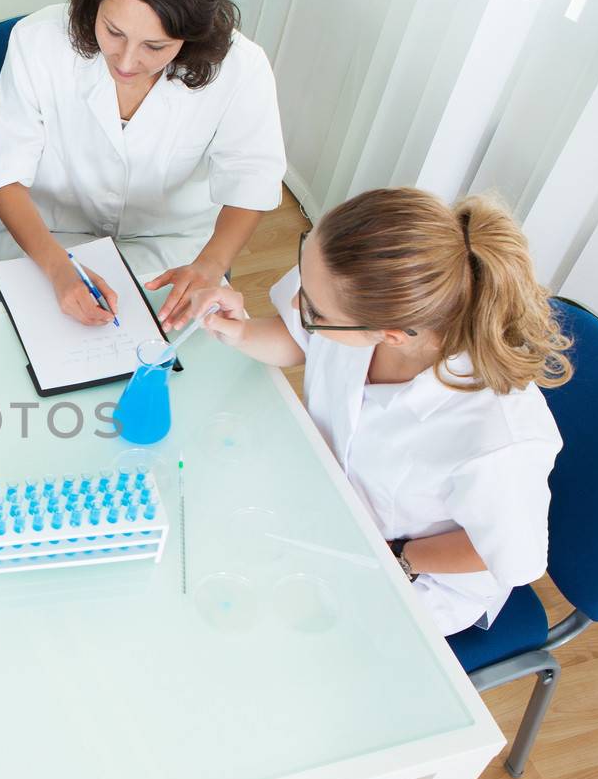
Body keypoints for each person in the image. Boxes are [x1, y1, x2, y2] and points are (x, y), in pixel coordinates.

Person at [186, 187, 570, 636]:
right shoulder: (352, 286)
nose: (296, 304)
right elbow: (299, 338)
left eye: (312, 307)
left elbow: (511, 559)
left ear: (390, 335)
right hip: (325, 505)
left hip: (410, 571)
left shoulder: (500, 439)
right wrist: (240, 332)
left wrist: (402, 555)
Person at [0, 0, 286, 328]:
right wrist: (57, 267)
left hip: (171, 253)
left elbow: (252, 179)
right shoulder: (38, 41)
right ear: (93, 3)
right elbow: (6, 177)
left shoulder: (241, 68)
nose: (126, 61)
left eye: (155, 46)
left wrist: (212, 264)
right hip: (44, 238)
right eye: (113, 32)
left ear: (192, 35)